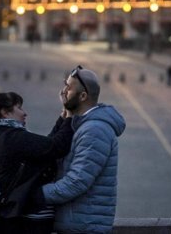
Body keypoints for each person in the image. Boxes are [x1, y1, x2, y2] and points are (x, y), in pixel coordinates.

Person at [0, 91, 74, 234]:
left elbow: (46, 148)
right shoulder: (12, 137)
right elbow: (57, 147)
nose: (24, 113)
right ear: (5, 113)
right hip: (30, 219)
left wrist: (64, 116)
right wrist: (70, 115)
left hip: (17, 215)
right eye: (19, 108)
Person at [43, 66, 126, 234]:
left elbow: (77, 182)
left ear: (82, 96)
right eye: (64, 85)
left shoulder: (94, 130)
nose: (63, 91)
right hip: (78, 224)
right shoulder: (80, 125)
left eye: (69, 88)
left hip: (85, 226)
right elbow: (49, 148)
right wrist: (65, 113)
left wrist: (35, 195)